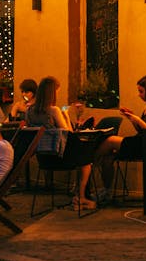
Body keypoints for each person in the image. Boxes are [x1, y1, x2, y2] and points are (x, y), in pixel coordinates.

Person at [95, 76, 146, 199]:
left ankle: (87, 164)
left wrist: (137, 119)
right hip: (140, 140)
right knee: (107, 158)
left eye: (141, 91)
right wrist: (131, 118)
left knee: (110, 140)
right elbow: (140, 130)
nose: (139, 95)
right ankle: (106, 190)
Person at [27, 76, 95, 210]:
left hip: (44, 159)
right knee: (87, 160)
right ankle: (81, 197)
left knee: (83, 156)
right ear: (52, 93)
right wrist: (66, 116)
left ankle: (78, 195)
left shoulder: (29, 111)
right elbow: (68, 134)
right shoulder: (53, 110)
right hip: (61, 156)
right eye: (57, 91)